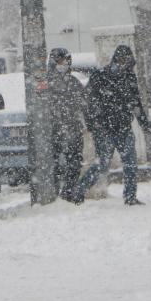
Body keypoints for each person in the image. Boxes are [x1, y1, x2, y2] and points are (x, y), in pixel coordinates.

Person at [66, 45, 149, 206]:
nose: (124, 64)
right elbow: (88, 101)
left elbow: (135, 102)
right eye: (122, 60)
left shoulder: (129, 78)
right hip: (104, 128)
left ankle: (130, 196)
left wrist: (144, 123)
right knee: (103, 164)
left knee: (129, 163)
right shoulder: (100, 76)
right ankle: (79, 191)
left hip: (122, 127)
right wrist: (92, 123)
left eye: (127, 60)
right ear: (116, 59)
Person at [46, 48, 87, 198]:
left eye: (66, 61)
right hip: (53, 129)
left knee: (75, 161)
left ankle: (69, 191)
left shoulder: (74, 82)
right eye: (60, 61)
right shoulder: (45, 82)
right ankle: (55, 192)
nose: (63, 64)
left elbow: (84, 103)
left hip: (73, 127)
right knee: (54, 162)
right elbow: (41, 105)